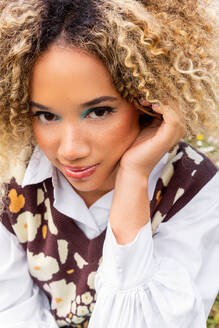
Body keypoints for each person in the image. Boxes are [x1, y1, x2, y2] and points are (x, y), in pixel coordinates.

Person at [0, 0, 218, 327]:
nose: (71, 149)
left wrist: (133, 177)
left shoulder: (193, 187)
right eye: (46, 115)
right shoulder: (10, 183)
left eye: (99, 111)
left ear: (148, 101)